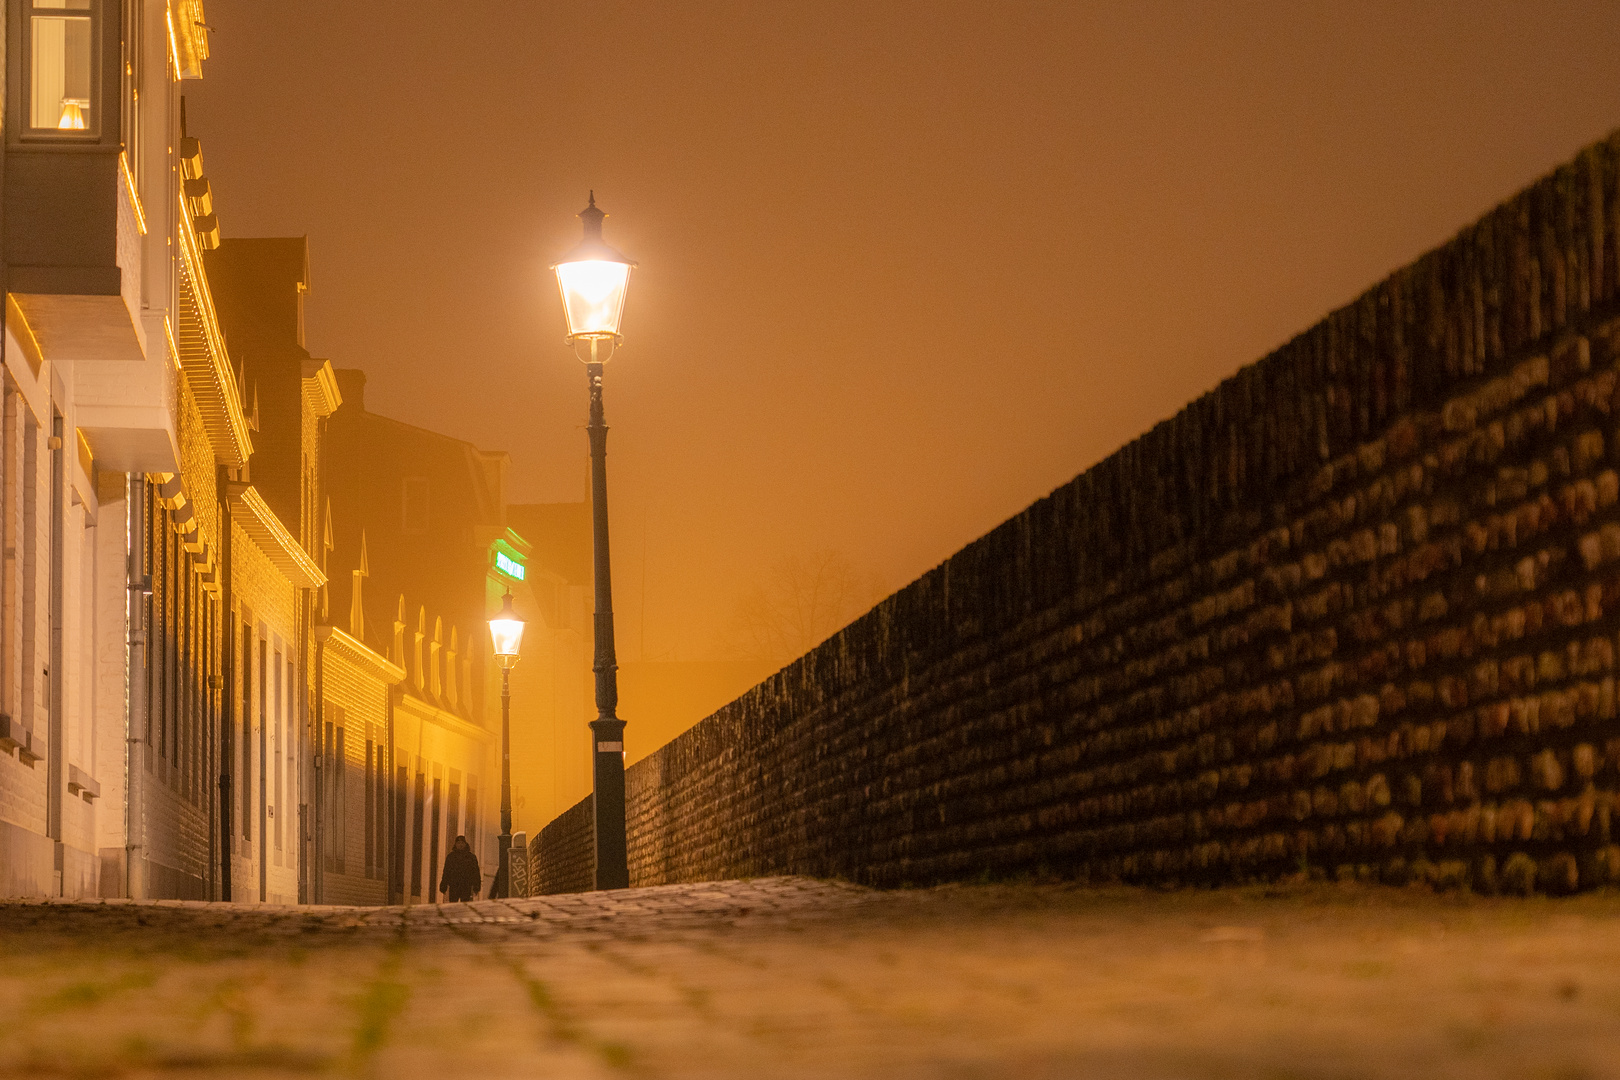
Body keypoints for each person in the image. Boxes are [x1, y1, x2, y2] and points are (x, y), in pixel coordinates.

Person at [439, 835, 481, 903]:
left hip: (466, 886)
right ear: (455, 844)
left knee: (464, 905)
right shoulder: (451, 857)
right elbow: (446, 872)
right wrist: (443, 885)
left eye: (462, 843)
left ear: (465, 844)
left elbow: (475, 872)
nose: (460, 845)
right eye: (458, 843)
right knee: (453, 904)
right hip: (454, 885)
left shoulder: (471, 857)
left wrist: (476, 886)